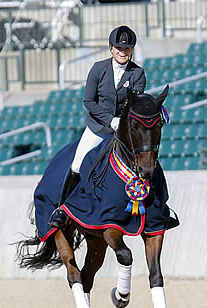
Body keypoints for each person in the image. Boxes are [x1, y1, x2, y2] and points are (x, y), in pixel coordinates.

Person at [50, 25, 146, 229]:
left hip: (124, 131)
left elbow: (135, 103)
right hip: (98, 128)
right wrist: (110, 119)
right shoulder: (98, 69)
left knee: (146, 161)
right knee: (76, 164)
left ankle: (157, 211)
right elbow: (89, 101)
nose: (123, 51)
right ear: (111, 48)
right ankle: (62, 209)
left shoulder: (137, 74)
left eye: (127, 48)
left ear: (132, 50)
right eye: (119, 48)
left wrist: (124, 120)